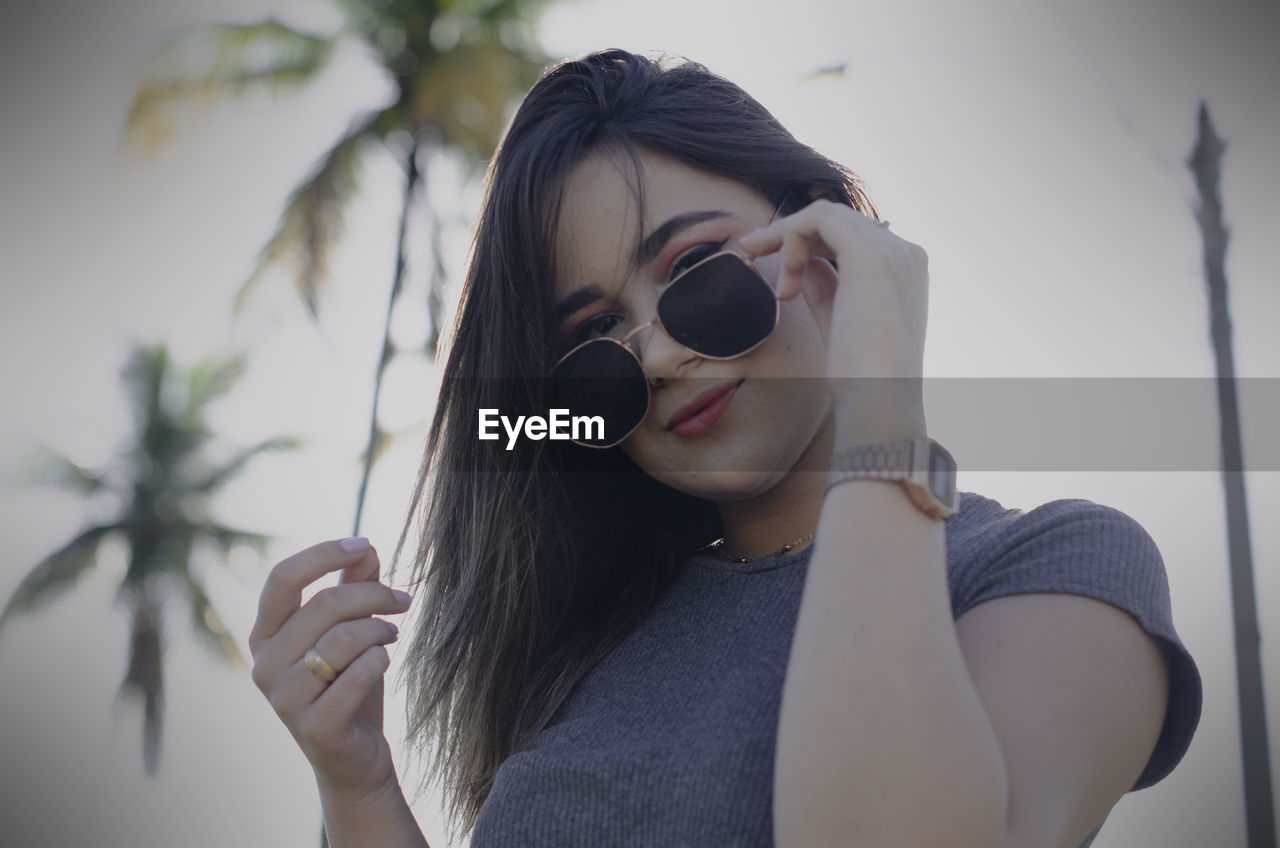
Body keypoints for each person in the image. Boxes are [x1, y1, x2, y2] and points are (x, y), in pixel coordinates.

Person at [247, 49, 1202, 847]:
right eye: (597, 344)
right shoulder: (592, 649)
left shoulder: (1054, 569)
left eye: (697, 272)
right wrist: (362, 788)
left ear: (823, 238)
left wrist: (882, 400)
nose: (658, 355)